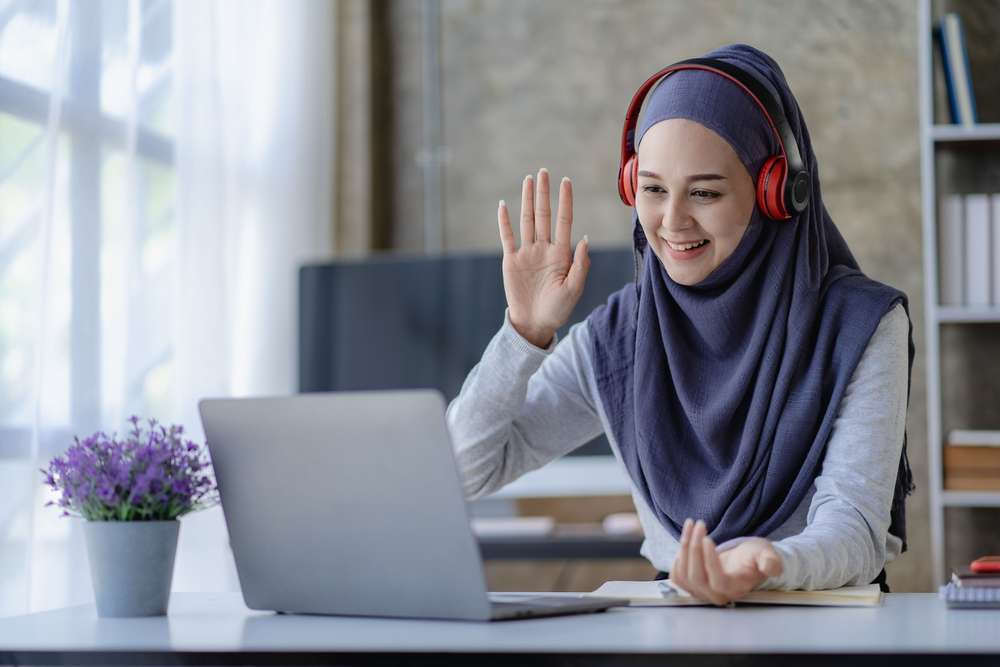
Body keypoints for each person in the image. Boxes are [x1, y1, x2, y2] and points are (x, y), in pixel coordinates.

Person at [445, 43, 914, 606]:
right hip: (676, 630)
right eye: (653, 189)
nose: (672, 221)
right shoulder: (618, 338)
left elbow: (855, 530)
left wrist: (765, 563)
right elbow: (466, 472)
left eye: (706, 192)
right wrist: (523, 335)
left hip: (824, 623)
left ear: (776, 192)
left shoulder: (861, 325)